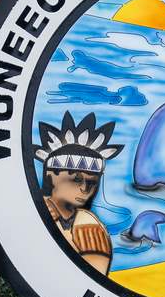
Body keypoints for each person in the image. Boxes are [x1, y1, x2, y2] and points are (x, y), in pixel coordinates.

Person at [32, 111, 124, 276]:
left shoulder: (88, 224)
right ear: (50, 176)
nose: (85, 188)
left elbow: (95, 278)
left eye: (92, 182)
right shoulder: (30, 212)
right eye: (76, 179)